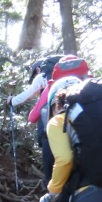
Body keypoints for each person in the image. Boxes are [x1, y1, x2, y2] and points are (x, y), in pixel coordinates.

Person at [25, 55, 90, 185]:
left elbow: (32, 117)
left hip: (55, 139)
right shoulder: (90, 84)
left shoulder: (52, 86)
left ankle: (53, 197)